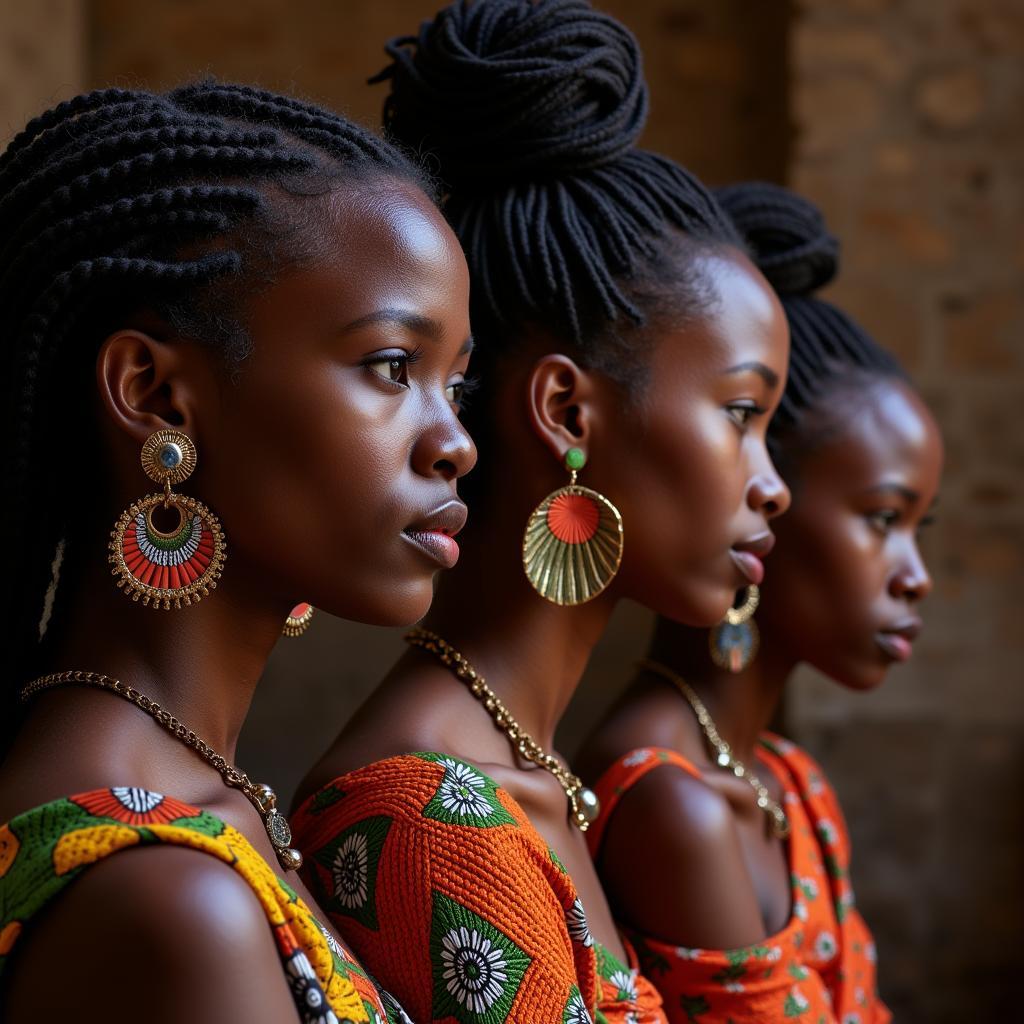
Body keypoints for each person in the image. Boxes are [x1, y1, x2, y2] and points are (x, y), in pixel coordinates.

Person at [293, 4, 790, 1022]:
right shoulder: (421, 812)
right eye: (742, 414)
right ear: (568, 410)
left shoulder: (535, 771)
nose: (773, 480)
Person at [0, 80, 475, 1024]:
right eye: (393, 366)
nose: (454, 442)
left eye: (457, 384)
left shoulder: (196, 800)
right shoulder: (168, 898)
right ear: (157, 395)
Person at [578, 183, 943, 1023]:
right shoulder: (668, 799)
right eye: (883, 520)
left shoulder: (789, 780)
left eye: (920, 527)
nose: (914, 574)